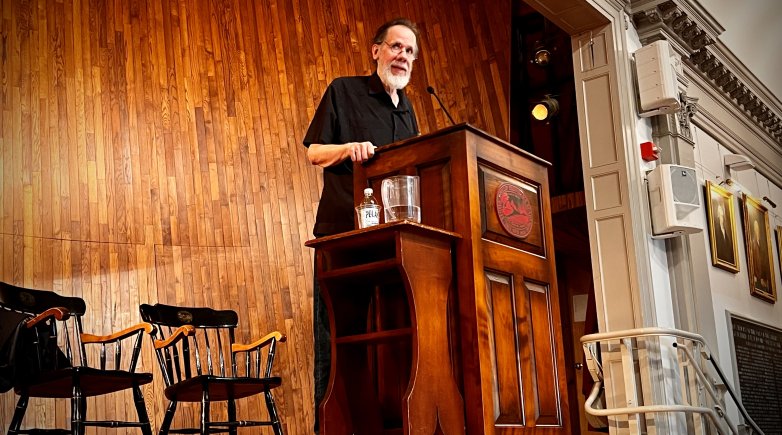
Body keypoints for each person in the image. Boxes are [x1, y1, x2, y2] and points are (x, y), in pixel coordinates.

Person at [302, 18, 421, 431]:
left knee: (399, 340)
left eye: (410, 52)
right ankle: (332, 426)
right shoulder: (344, 90)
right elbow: (314, 152)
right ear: (376, 51)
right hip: (342, 235)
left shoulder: (409, 114)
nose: (403, 56)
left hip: (394, 241)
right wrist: (348, 148)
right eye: (396, 47)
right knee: (336, 341)